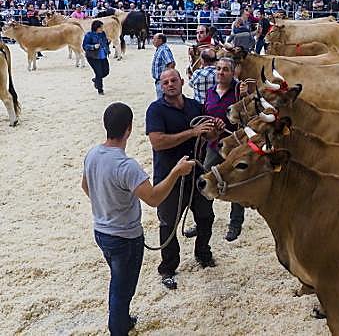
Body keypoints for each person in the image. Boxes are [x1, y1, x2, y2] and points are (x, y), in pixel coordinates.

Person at [82, 102, 195, 335]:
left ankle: (123, 320)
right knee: (121, 291)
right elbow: (153, 198)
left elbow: (86, 187)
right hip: (125, 238)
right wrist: (176, 171)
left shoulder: (92, 154)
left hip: (101, 233)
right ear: (129, 128)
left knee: (118, 281)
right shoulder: (127, 166)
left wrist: (108, 203)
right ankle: (118, 329)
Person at [146, 69, 224, 290]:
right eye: (165, 82)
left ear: (182, 82)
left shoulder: (195, 106)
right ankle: (168, 268)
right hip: (170, 178)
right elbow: (157, 142)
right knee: (169, 224)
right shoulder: (156, 110)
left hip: (197, 174)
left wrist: (213, 130)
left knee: (206, 217)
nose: (170, 84)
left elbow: (207, 136)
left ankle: (203, 254)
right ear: (161, 86)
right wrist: (191, 132)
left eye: (173, 80)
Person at [203, 58, 251, 241]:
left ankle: (235, 223)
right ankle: (204, 217)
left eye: (225, 70)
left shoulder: (240, 92)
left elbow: (248, 118)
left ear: (233, 73)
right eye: (218, 69)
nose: (221, 72)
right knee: (206, 176)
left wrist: (246, 97)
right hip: (214, 145)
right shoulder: (210, 92)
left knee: (235, 182)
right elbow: (205, 113)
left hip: (234, 147)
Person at [82, 20, 111, 95]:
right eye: (101, 27)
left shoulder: (103, 34)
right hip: (93, 57)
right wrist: (93, 46)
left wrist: (108, 42)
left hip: (103, 56)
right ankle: (100, 89)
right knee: (99, 73)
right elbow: (85, 46)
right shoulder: (89, 35)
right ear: (96, 28)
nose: (102, 29)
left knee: (106, 72)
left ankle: (96, 80)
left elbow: (104, 42)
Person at [151, 33, 176, 99]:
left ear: (160, 40)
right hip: (160, 80)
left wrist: (166, 77)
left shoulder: (163, 50)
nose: (152, 41)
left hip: (162, 81)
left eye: (154, 39)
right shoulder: (160, 49)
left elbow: (171, 63)